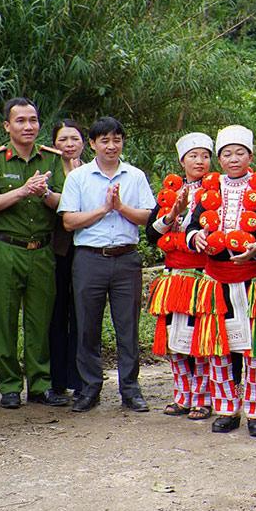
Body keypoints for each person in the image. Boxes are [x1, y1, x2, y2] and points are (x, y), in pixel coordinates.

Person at [185, 125, 256, 438]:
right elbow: (192, 225)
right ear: (219, 159)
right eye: (227, 154)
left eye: (239, 153)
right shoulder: (209, 191)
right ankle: (226, 409)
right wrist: (196, 237)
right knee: (219, 350)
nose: (233, 159)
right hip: (217, 281)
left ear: (250, 156)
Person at [59, 116, 156, 413]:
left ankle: (130, 389)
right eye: (104, 140)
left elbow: (148, 217)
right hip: (89, 258)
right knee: (87, 326)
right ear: (92, 144)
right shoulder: (79, 177)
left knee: (128, 326)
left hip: (126, 258)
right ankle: (90, 388)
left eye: (117, 140)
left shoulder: (135, 176)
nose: (111, 146)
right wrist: (103, 209)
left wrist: (121, 207)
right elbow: (68, 221)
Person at [0, 98, 66, 409]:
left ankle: (40, 384)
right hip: (6, 248)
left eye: (33, 120)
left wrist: (46, 193)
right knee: (4, 318)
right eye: (20, 121)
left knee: (40, 320)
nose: (28, 126)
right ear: (7, 126)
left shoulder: (52, 158)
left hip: (41, 249)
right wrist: (23, 191)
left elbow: (65, 203)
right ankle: (10, 385)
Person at [147, 131, 215, 418]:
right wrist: (172, 213)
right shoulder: (170, 192)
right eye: (193, 156)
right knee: (174, 339)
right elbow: (151, 234)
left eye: (205, 156)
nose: (200, 161)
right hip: (173, 275)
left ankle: (202, 398)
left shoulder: (217, 191)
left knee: (199, 339)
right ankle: (181, 395)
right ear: (182, 161)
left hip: (202, 275)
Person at [49, 119, 86, 397]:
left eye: (74, 139)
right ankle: (57, 379)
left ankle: (81, 378)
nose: (69, 144)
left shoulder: (93, 170)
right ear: (54, 144)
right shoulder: (48, 170)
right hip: (55, 251)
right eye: (63, 139)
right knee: (56, 313)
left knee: (82, 314)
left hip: (86, 249)